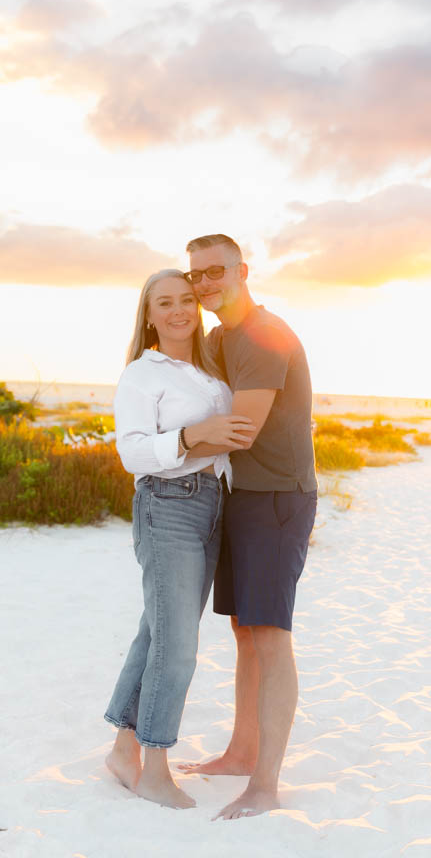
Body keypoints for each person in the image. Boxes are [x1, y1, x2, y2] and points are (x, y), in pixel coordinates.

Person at [178, 234, 317, 819]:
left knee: (270, 635)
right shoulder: (217, 337)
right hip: (243, 496)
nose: (205, 283)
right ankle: (241, 752)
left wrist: (172, 444)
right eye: (195, 276)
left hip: (279, 498)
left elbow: (241, 430)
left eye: (215, 271)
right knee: (243, 630)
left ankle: (265, 784)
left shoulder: (264, 334)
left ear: (241, 270)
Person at [104, 269, 255, 809]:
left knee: (159, 632)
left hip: (212, 504)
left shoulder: (210, 369)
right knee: (178, 647)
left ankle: (124, 751)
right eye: (163, 303)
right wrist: (196, 435)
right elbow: (134, 453)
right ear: (148, 315)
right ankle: (155, 767)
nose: (177, 311)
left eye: (186, 300)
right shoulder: (143, 375)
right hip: (167, 505)